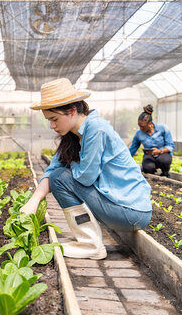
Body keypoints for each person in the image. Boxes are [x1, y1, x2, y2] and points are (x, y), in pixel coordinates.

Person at [20, 78, 152, 260]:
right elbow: (53, 167)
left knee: (60, 178)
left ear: (72, 111)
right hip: (122, 207)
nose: (52, 125)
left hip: (131, 211)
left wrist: (70, 163)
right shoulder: (73, 135)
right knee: (58, 175)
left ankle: (91, 245)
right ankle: (86, 239)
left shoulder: (96, 130)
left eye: (54, 119)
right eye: (49, 120)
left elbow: (85, 177)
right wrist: (33, 201)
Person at [129, 105, 174, 177]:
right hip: (149, 156)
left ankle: (165, 173)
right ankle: (151, 171)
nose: (140, 128)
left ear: (150, 124)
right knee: (148, 168)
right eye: (139, 126)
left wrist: (159, 151)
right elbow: (132, 148)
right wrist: (124, 159)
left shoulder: (163, 128)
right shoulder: (139, 133)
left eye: (143, 126)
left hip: (163, 154)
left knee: (164, 161)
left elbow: (170, 145)